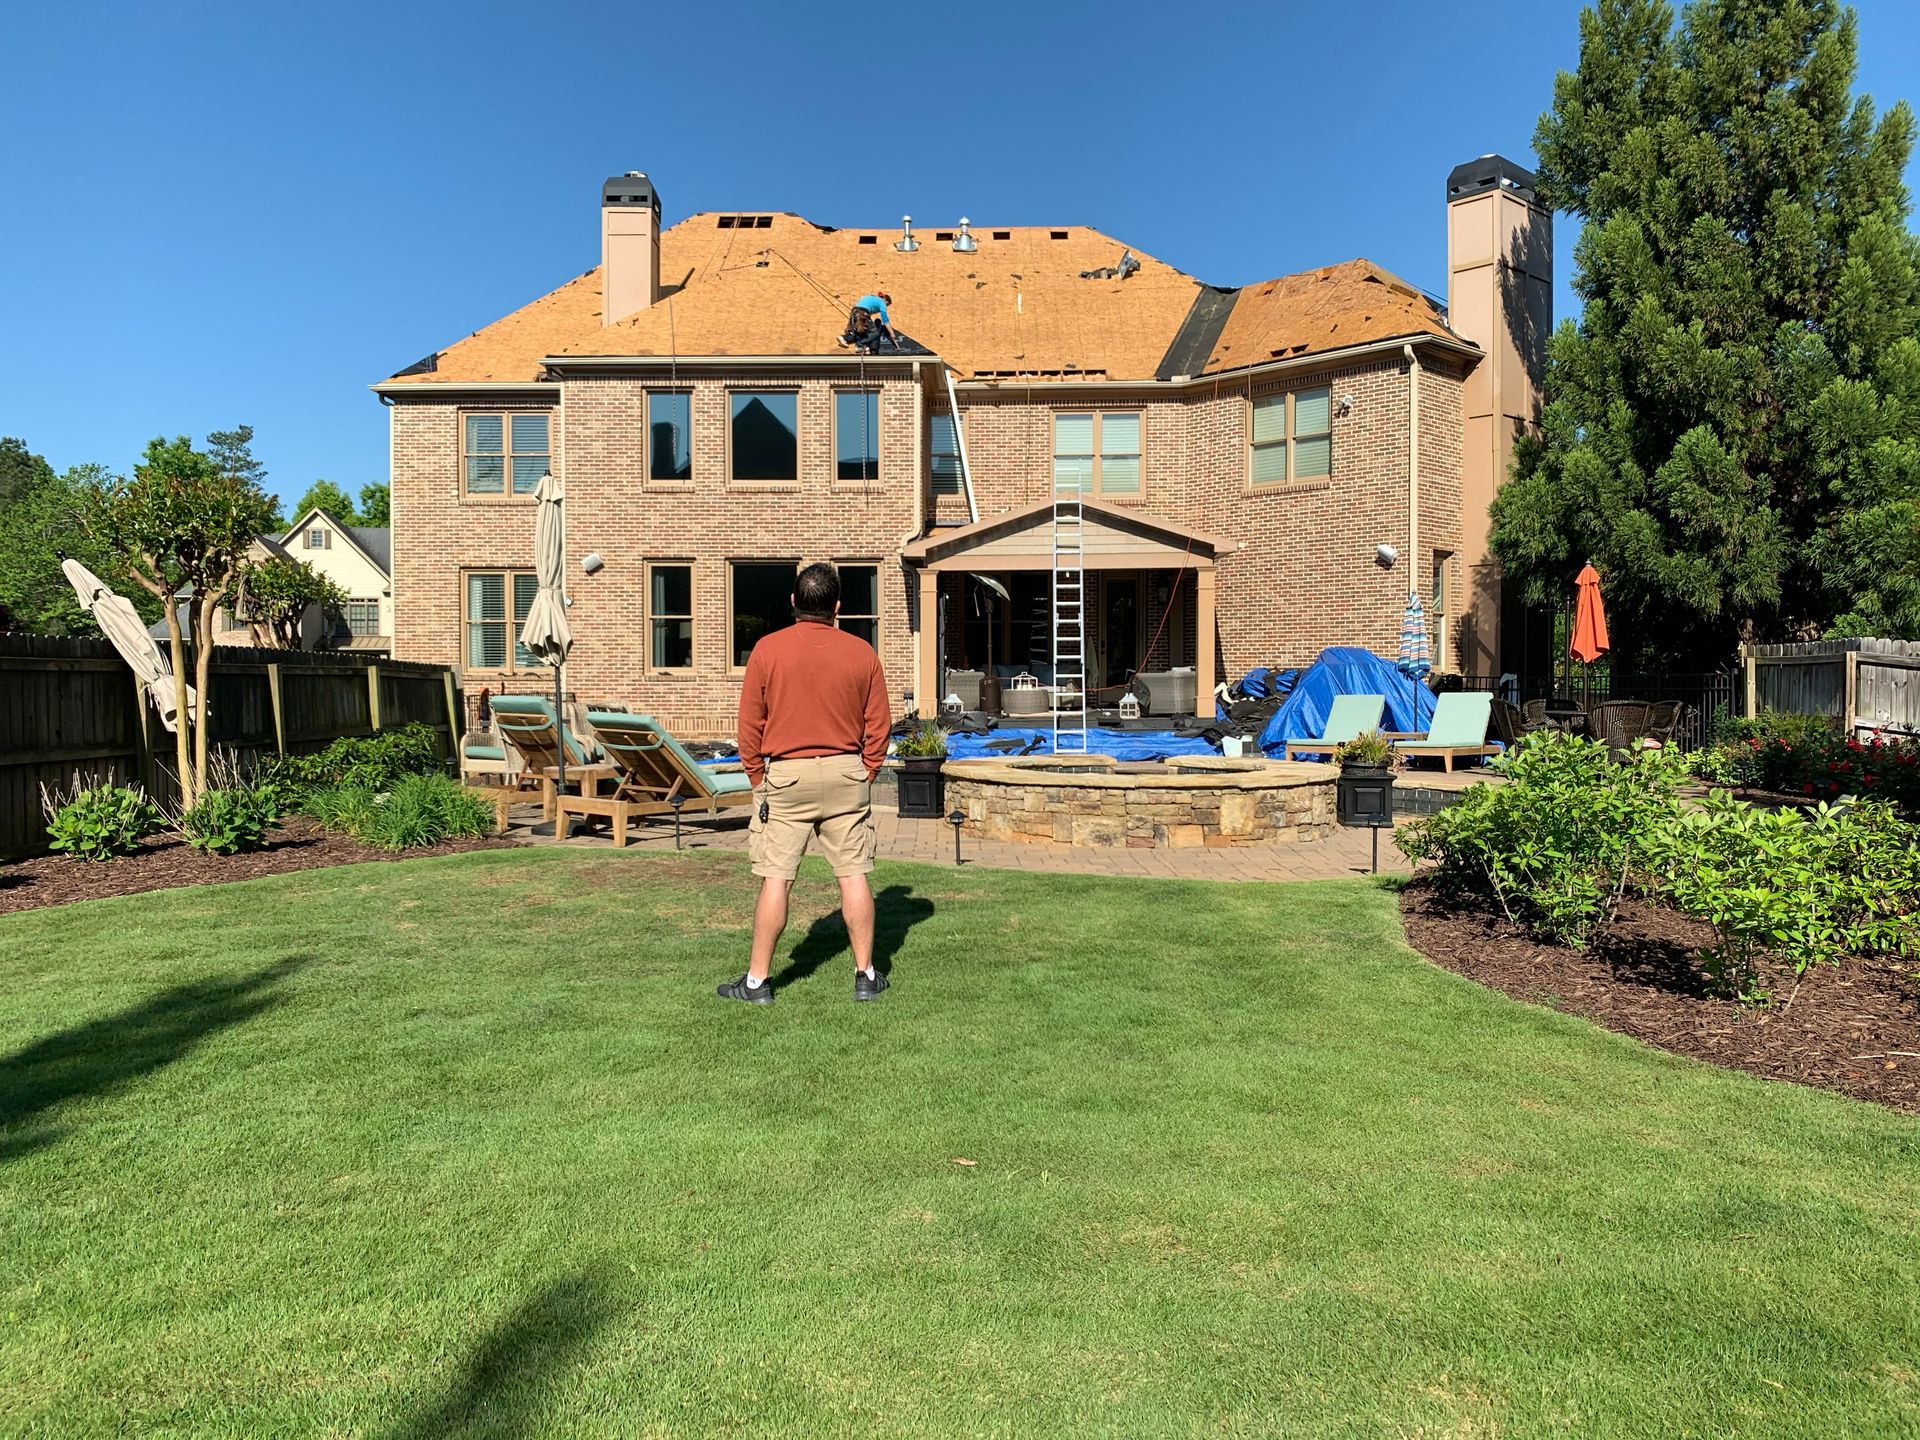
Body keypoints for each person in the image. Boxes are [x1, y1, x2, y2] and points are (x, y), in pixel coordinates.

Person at [722, 562, 892, 1005]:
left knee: (776, 877)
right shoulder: (862, 653)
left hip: (787, 775)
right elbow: (879, 725)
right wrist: (867, 771)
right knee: (853, 874)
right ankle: (866, 975)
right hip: (844, 772)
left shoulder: (766, 649)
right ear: (838, 606)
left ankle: (758, 982)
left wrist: (758, 779)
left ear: (794, 602)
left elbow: (749, 726)